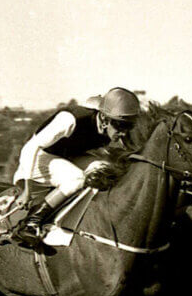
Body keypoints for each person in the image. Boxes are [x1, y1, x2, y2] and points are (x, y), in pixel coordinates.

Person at [9, 87, 141, 248]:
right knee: (76, 178)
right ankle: (31, 222)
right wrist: (27, 190)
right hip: (38, 158)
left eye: (129, 126)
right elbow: (29, 149)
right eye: (120, 126)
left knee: (106, 169)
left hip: (65, 158)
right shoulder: (69, 120)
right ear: (105, 119)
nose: (124, 133)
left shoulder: (111, 127)